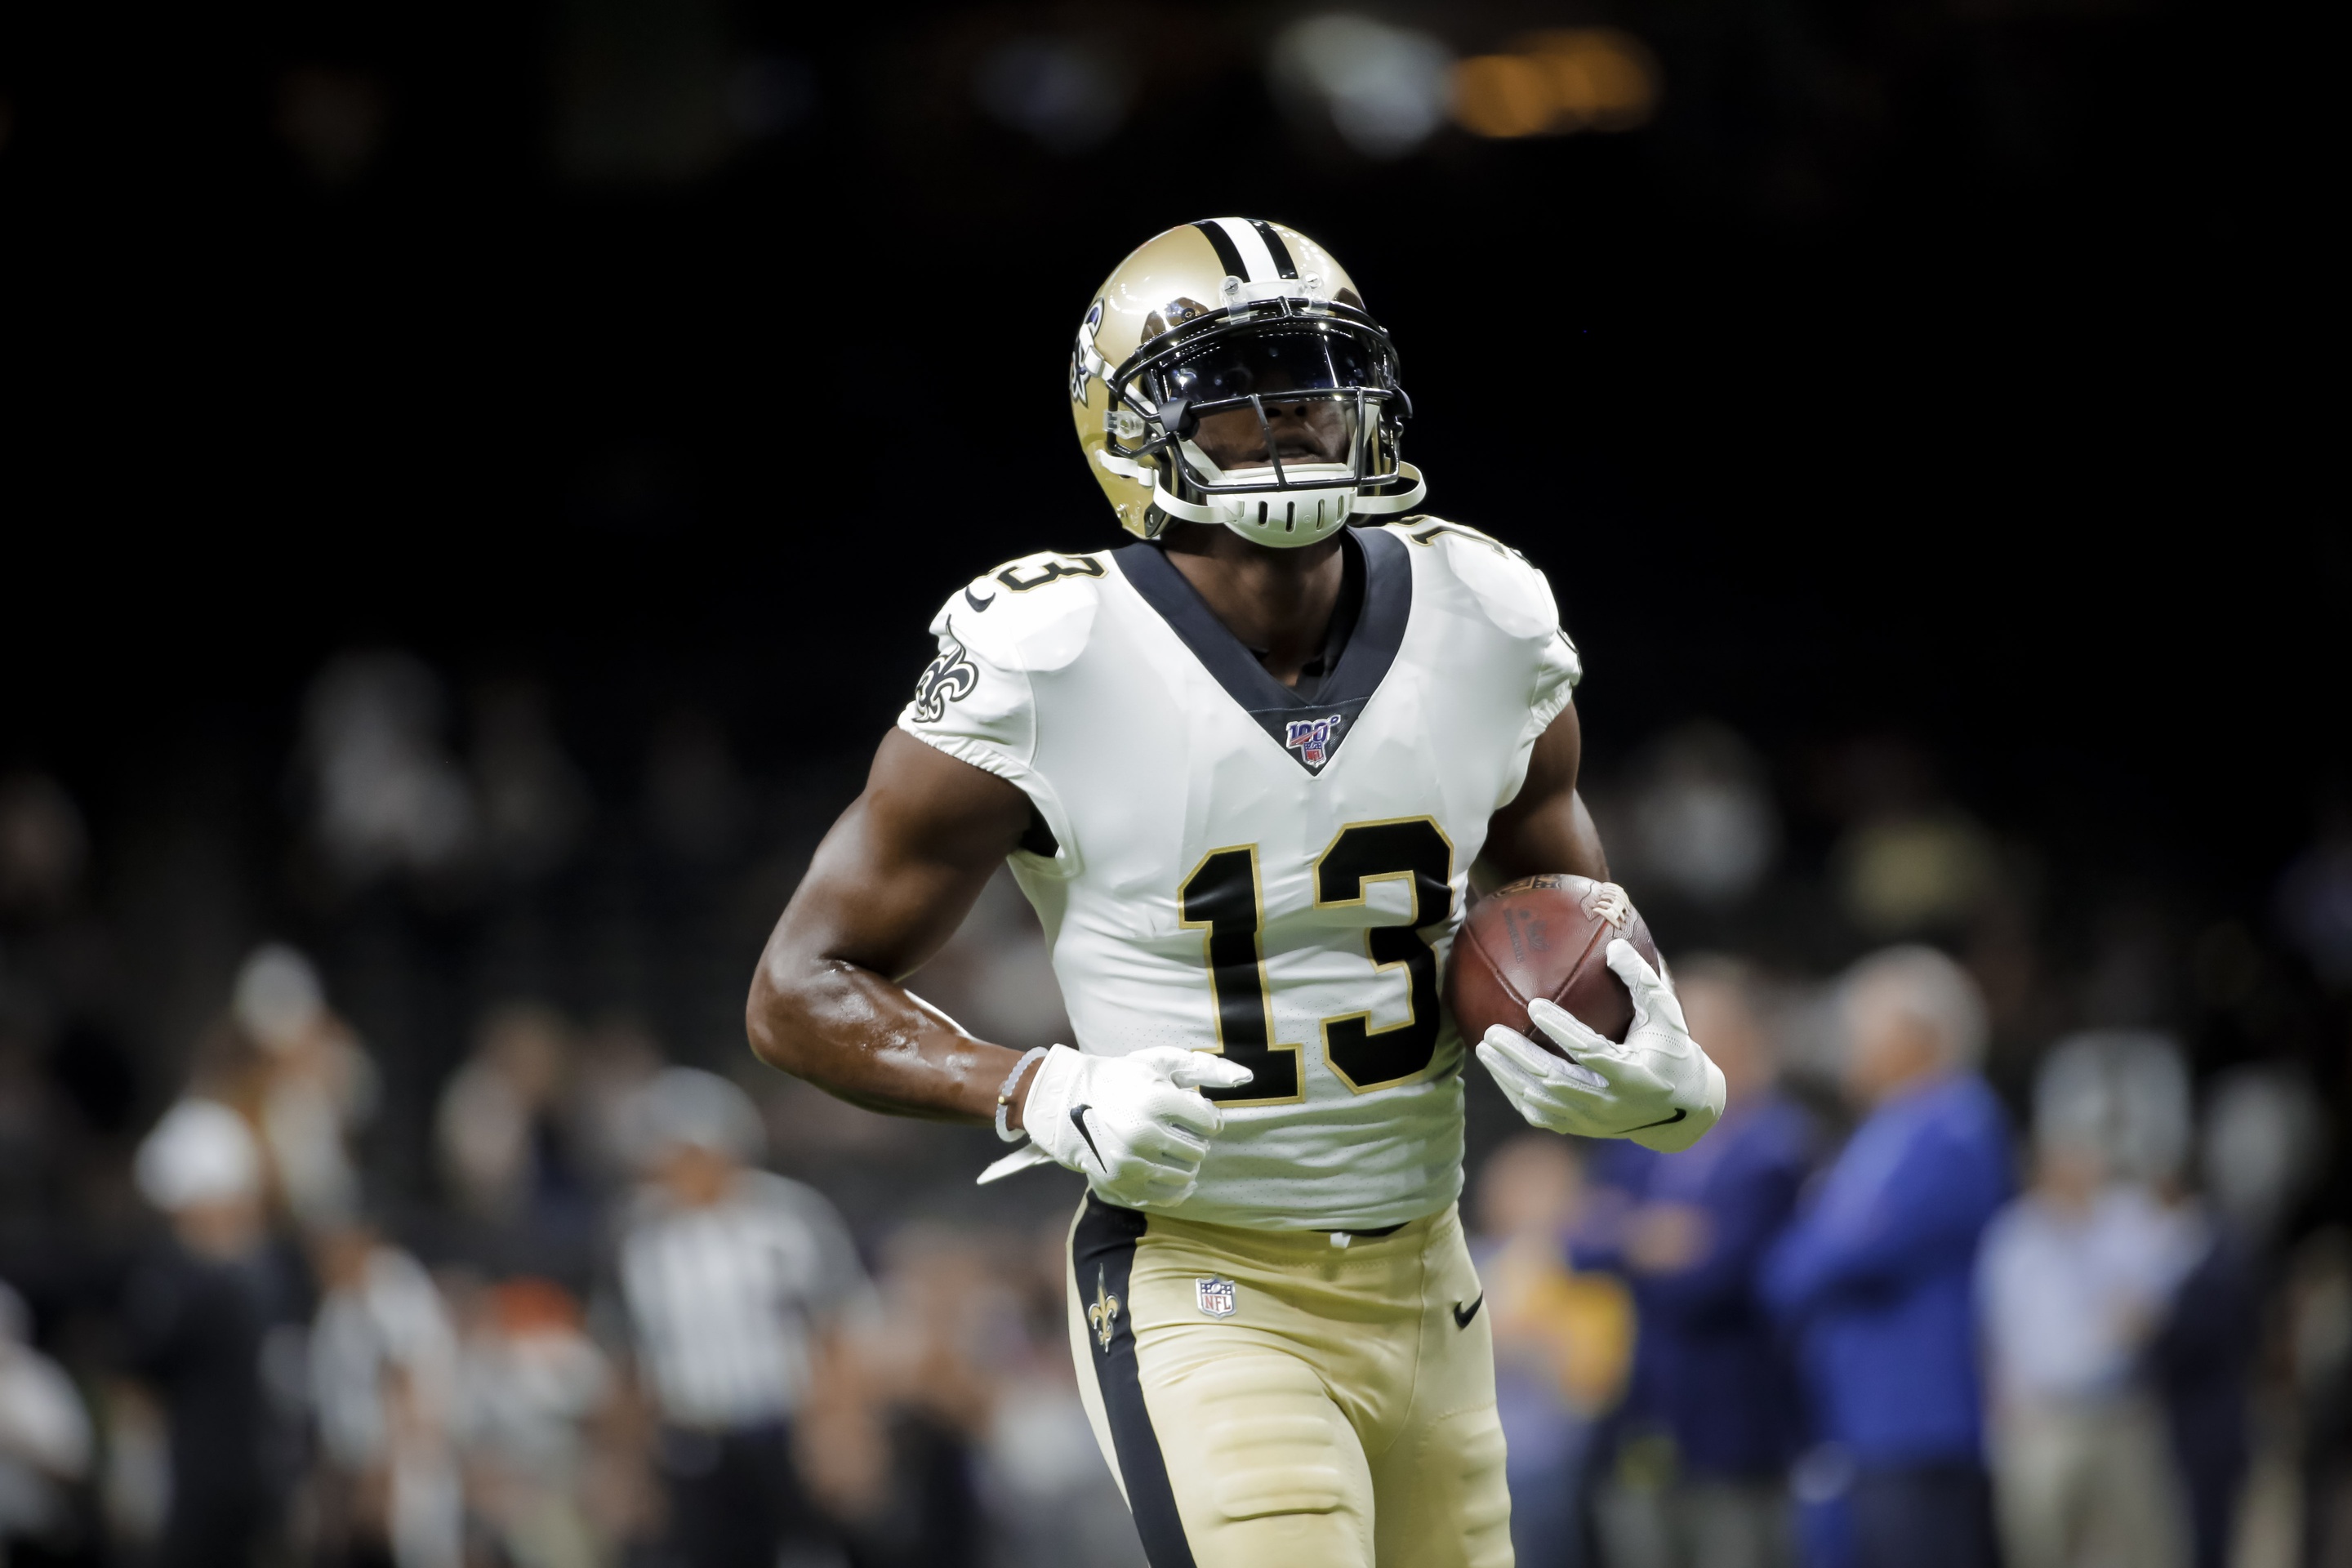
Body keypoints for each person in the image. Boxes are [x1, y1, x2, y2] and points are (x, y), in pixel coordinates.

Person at [746, 217, 1726, 1568]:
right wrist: (1033, 1088)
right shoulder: (1053, 651)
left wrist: (1650, 1061)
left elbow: (1566, 911)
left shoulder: (1485, 615)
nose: (1295, 422)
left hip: (1434, 1275)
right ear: (1128, 429)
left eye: (1315, 383)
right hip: (1205, 1272)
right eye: (1241, 393)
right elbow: (798, 988)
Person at [1761, 947, 2010, 1568]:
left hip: (1922, 1423)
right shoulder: (1879, 1131)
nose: (1848, 1048)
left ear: (1918, 1036)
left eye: (1863, 1031)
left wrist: (1820, 1246)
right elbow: (1791, 1266)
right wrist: (1820, 1246)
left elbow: (1838, 1254)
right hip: (1858, 1421)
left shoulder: (1957, 1120)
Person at [1578, 958, 1811, 1568]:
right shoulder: (1643, 1139)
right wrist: (1653, 1241)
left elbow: (1719, 1279)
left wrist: (1630, 1240)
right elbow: (1579, 1244)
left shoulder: (1775, 1146)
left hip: (1737, 1427)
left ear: (1744, 1039)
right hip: (1643, 1414)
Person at [615, 1067, 866, 1568]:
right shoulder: (636, 1235)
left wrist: (838, 1428)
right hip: (692, 1436)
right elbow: (628, 1354)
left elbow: (835, 1328)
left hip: (784, 1427)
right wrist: (631, 1462)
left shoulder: (789, 1217)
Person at [1976, 1033, 2204, 1568]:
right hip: (2041, 1423)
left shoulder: (2124, 1221)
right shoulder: (2014, 1238)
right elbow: (2004, 1334)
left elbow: (2179, 1263)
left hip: (2119, 1415)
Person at [122, 1098, 299, 1567]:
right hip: (234, 1473)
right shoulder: (253, 1272)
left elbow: (147, 1354)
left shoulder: (222, 1279)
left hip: (220, 1481)